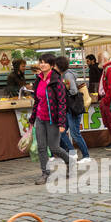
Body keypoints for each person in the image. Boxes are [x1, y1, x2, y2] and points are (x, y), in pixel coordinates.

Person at [31, 55, 69, 183]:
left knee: (54, 148)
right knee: (41, 147)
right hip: (40, 118)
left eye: (45, 63)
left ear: (52, 65)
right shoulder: (38, 80)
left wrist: (62, 122)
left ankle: (70, 162)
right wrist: (32, 119)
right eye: (40, 62)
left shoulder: (57, 81)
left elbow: (62, 103)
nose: (42, 65)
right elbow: (36, 101)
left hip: (53, 119)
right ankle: (45, 173)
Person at [55, 54, 92, 164]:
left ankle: (86, 155)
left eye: (55, 65)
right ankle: (72, 152)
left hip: (73, 108)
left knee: (75, 133)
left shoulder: (67, 76)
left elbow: (74, 91)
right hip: (69, 109)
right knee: (60, 132)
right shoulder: (65, 75)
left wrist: (63, 92)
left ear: (59, 66)